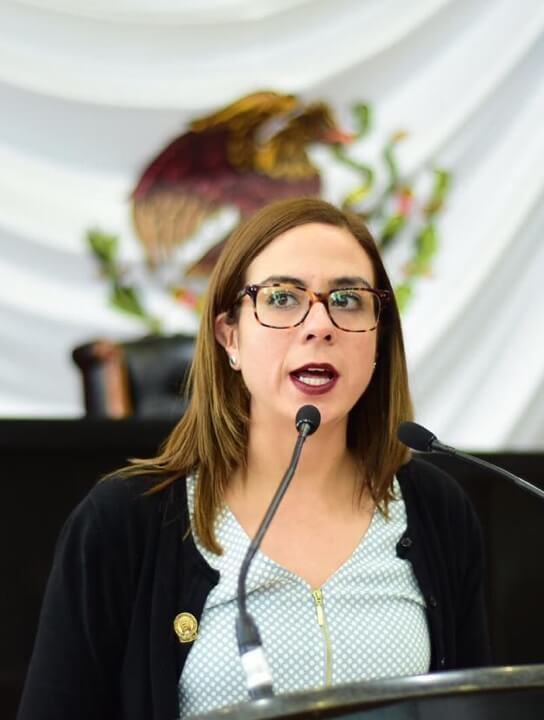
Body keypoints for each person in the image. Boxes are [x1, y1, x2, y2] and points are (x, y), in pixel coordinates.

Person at [18, 198, 490, 720]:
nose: (320, 325)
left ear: (378, 336)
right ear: (230, 336)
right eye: (282, 298)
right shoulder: (124, 520)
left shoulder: (436, 511)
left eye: (348, 300)